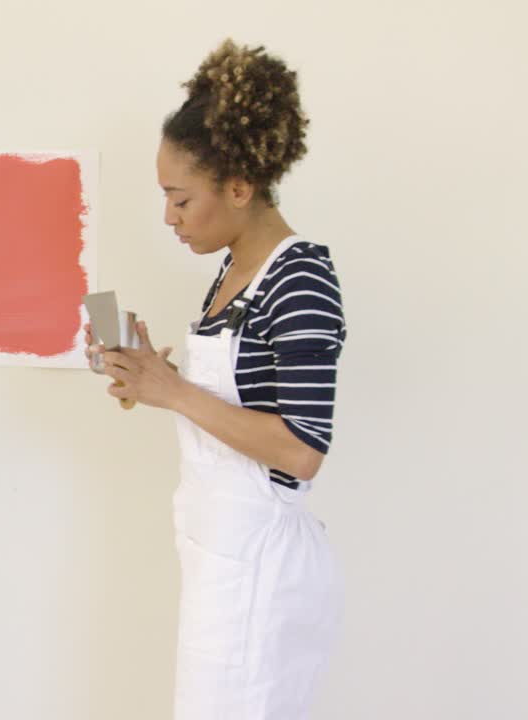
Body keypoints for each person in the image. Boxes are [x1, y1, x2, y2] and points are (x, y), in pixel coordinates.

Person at [90, 39, 345, 719]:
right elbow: (237, 404)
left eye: (179, 199)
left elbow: (301, 447)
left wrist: (172, 391)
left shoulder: (301, 280)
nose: (167, 217)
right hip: (219, 555)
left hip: (259, 571)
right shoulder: (231, 272)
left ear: (239, 188)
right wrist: (154, 375)